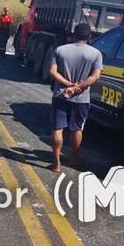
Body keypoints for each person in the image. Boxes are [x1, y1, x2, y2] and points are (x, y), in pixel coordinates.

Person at [48, 23, 103, 172]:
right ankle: (73, 160)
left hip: (61, 95)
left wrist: (68, 85)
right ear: (89, 37)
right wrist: (78, 88)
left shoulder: (60, 50)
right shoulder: (95, 53)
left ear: (73, 35)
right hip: (82, 98)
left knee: (57, 128)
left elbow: (53, 72)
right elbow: (96, 76)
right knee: (77, 129)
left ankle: (56, 164)